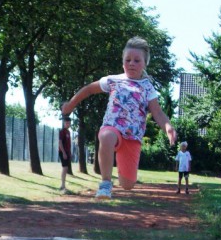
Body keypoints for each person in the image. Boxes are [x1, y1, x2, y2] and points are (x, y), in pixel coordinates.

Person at [61, 36, 177, 199]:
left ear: (145, 63)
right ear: (122, 62)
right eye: (128, 60)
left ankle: (120, 174)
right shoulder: (113, 80)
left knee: (127, 184)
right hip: (112, 127)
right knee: (106, 136)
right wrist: (71, 105)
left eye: (137, 60)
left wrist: (168, 127)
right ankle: (105, 184)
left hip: (132, 137)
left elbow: (157, 112)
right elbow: (88, 89)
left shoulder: (147, 87)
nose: (132, 63)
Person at [58, 116, 72, 192]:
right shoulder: (62, 131)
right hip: (62, 152)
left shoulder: (68, 132)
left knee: (66, 168)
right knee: (65, 168)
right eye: (66, 123)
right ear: (64, 123)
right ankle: (62, 185)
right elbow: (60, 143)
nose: (68, 124)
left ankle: (63, 185)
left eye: (69, 123)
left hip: (67, 152)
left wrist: (69, 153)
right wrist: (63, 153)